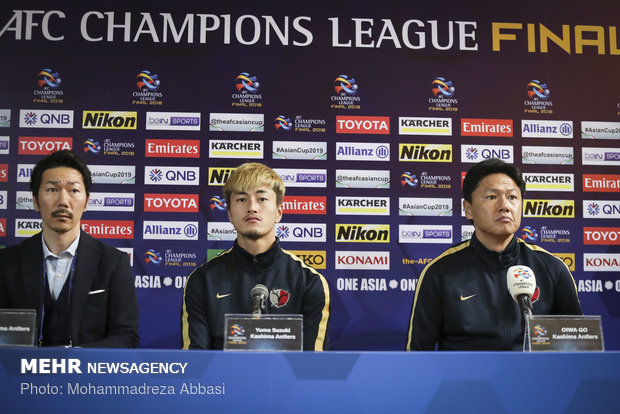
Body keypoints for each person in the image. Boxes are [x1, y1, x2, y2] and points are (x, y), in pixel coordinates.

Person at [406, 159, 582, 351]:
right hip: (462, 380)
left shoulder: (552, 268)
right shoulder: (440, 273)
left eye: (513, 197)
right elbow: (417, 354)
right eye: (491, 197)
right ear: (468, 209)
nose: (504, 206)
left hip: (534, 379)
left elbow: (577, 350)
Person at [182, 162, 330, 350]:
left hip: (285, 380)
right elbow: (196, 363)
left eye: (261, 199)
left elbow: (311, 366)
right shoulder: (203, 280)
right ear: (229, 213)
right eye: (242, 199)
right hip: (222, 379)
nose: (252, 208)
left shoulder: (309, 281)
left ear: (278, 212)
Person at [0, 150, 139, 347]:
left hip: (86, 376)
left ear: (87, 202)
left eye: (73, 190)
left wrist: (75, 361)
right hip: (20, 375)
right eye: (52, 189)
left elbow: (127, 336)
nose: (63, 201)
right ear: (35, 201)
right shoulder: (7, 263)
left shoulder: (113, 262)